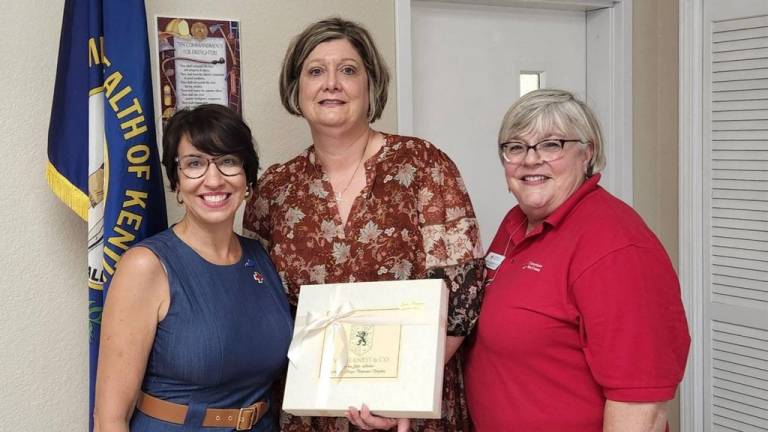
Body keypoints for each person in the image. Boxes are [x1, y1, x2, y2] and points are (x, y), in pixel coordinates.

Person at [243, 17, 484, 432]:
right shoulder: (275, 190)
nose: (331, 83)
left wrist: (403, 393)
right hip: (313, 413)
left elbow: (462, 297)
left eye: (348, 70)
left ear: (371, 85)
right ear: (296, 88)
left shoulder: (424, 167)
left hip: (410, 410)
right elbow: (260, 303)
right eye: (315, 71)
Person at [464, 89, 690, 431]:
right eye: (516, 147)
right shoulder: (516, 224)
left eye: (551, 144)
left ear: (588, 153)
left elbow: (641, 404)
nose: (530, 159)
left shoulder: (616, 246)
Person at [94, 104, 293, 431]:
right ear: (176, 182)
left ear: (247, 178)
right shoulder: (146, 266)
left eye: (228, 162)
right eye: (194, 164)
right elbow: (109, 418)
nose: (213, 180)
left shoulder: (261, 257)